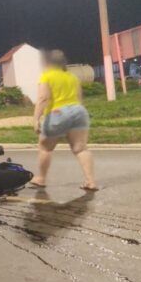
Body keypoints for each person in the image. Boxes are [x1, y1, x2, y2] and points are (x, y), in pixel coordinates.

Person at [31, 50, 97, 191]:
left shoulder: (47, 76)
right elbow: (79, 98)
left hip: (58, 113)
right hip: (79, 111)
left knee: (45, 148)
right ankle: (90, 181)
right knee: (80, 149)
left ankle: (41, 179)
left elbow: (43, 98)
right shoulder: (72, 77)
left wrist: (36, 119)